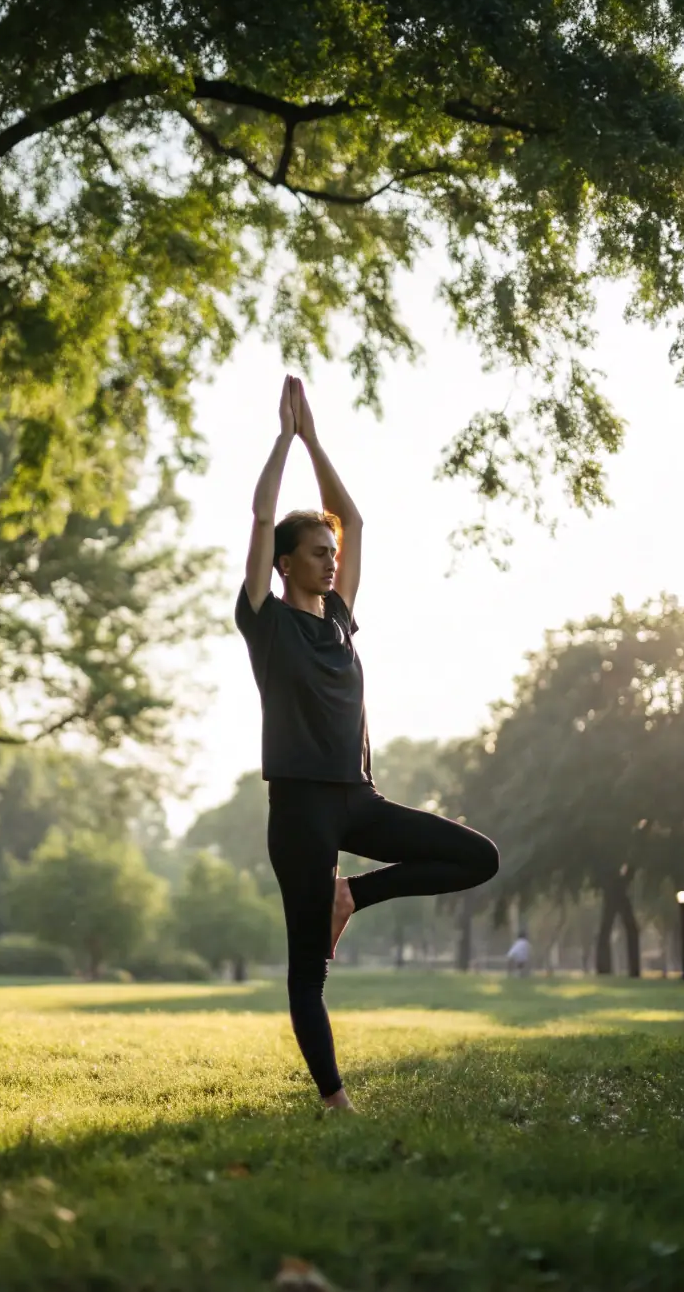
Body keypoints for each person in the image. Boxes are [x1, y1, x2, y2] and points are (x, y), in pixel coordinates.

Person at [235, 374, 500, 1111]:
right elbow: (261, 518)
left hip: (359, 797)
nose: (328, 557)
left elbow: (352, 515)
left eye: (330, 551)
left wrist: (317, 438)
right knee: (306, 970)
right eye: (314, 551)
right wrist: (282, 441)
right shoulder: (266, 619)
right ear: (285, 564)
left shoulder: (341, 618)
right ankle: (334, 1098)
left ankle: (351, 894)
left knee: (478, 856)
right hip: (299, 808)